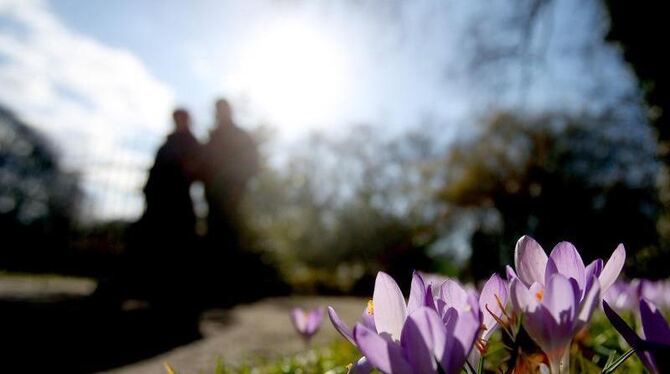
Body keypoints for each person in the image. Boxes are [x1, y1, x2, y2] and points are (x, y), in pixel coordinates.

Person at [201, 98, 259, 251]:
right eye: (218, 110)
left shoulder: (241, 136)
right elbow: (202, 166)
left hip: (235, 199)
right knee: (215, 239)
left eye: (223, 109)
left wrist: (236, 186)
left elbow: (252, 165)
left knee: (233, 239)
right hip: (213, 200)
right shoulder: (212, 138)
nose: (220, 113)